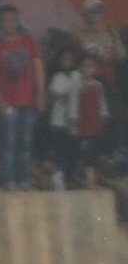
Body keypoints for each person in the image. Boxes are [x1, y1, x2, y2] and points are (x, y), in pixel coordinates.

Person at [0, 3, 45, 190]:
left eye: (12, 19)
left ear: (18, 20)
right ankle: (9, 181)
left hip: (28, 100)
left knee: (25, 142)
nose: (9, 23)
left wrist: (41, 93)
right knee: (9, 143)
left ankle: (23, 180)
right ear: (0, 23)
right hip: (8, 102)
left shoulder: (29, 42)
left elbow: (38, 68)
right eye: (5, 20)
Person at [68, 54, 109, 189]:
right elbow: (73, 105)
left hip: (95, 123)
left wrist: (104, 118)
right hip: (83, 123)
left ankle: (93, 181)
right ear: (80, 68)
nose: (88, 70)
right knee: (85, 152)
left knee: (95, 152)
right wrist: (73, 124)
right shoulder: (77, 85)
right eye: (85, 67)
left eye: (91, 66)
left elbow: (102, 104)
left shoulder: (98, 85)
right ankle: (87, 181)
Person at [48, 48, 80, 190]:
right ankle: (59, 178)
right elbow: (53, 95)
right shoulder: (57, 77)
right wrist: (64, 96)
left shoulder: (78, 76)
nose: (67, 62)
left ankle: (70, 176)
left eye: (70, 59)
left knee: (74, 150)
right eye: (64, 59)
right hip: (59, 121)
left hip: (74, 120)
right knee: (60, 151)